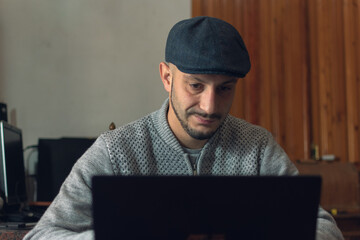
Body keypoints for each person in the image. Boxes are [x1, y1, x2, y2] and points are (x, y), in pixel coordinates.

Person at [24, 16, 344, 240]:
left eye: (225, 88)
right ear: (166, 77)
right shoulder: (115, 150)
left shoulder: (258, 146)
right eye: (195, 85)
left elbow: (324, 227)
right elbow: (42, 235)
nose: (209, 106)